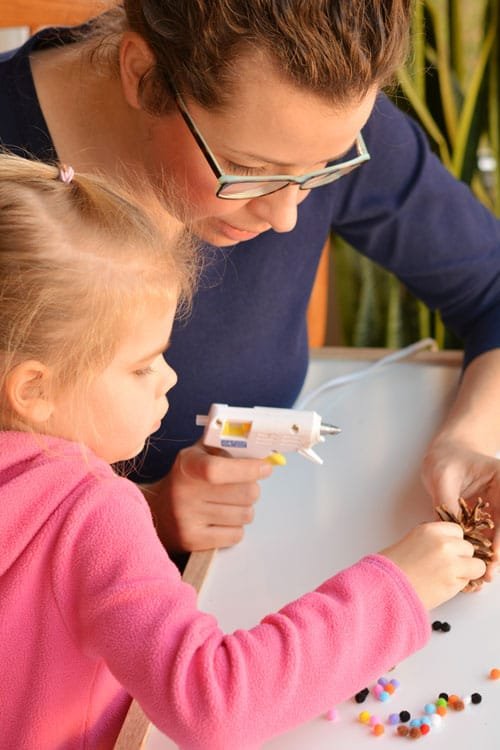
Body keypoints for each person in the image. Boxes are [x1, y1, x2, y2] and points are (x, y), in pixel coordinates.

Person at [0, 151, 486, 750]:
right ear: (35, 389)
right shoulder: (90, 511)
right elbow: (217, 703)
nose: (169, 380)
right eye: (142, 365)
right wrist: (400, 588)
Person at [1, 1, 499, 563]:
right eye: (249, 168)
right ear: (142, 73)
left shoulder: (321, 118)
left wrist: (467, 442)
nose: (286, 217)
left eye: (324, 168)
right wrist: (144, 512)